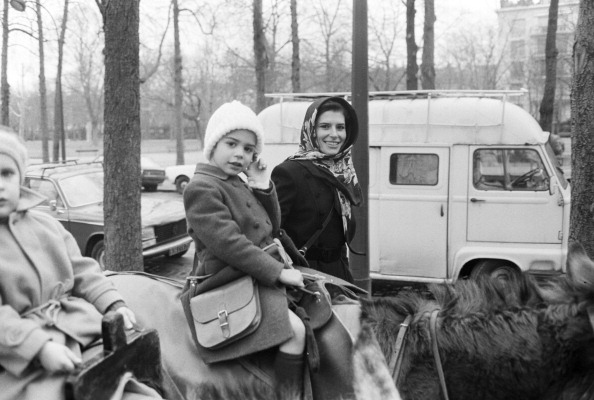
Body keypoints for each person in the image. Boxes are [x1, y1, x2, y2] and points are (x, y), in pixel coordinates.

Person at [0, 129, 159, 400]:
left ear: (21, 178)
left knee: (139, 384)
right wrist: (39, 348)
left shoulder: (47, 225)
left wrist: (112, 303)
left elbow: (83, 270)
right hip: (21, 360)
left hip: (82, 331)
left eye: (6, 173)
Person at [183, 100, 306, 395]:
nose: (240, 154)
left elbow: (271, 227)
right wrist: (278, 272)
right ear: (213, 144)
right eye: (232, 143)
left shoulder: (236, 182)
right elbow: (229, 244)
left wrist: (263, 185)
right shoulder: (202, 188)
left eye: (249, 149)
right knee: (295, 332)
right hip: (225, 279)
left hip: (250, 273)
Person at [271, 97, 362, 284]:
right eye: (325, 126)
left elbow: (339, 238)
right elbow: (270, 231)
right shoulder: (289, 172)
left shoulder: (343, 172)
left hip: (339, 274)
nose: (334, 134)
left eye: (340, 127)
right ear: (311, 129)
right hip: (305, 279)